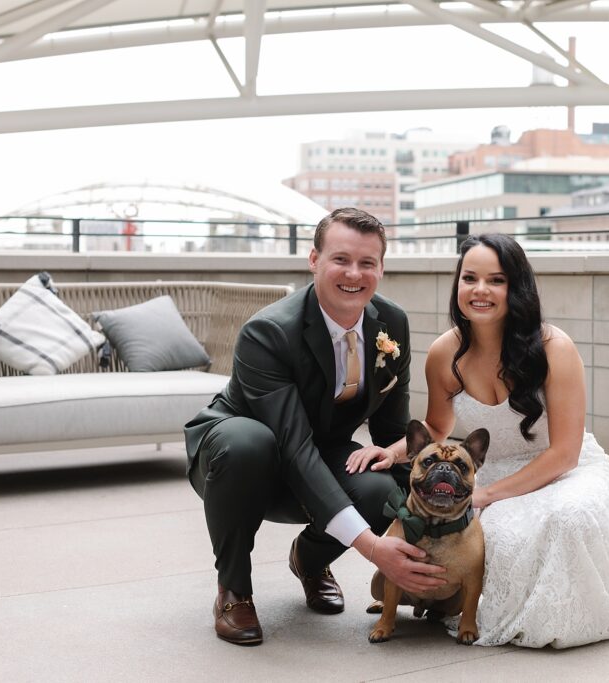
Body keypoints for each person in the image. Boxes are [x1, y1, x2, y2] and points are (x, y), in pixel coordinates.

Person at [346, 233, 609, 648]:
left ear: (516, 288)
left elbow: (565, 453)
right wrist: (392, 450)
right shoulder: (443, 353)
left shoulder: (553, 347)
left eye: (497, 280)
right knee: (503, 540)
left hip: (564, 471)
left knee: (568, 518)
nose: (480, 290)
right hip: (495, 474)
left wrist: (485, 496)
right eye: (469, 278)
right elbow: (436, 425)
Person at [184, 207, 444, 646]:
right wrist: (372, 548)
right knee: (249, 442)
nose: (354, 274)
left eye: (367, 263)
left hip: (318, 450)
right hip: (242, 459)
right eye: (340, 259)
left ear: (382, 268)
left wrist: (428, 522)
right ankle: (233, 591)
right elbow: (292, 445)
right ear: (314, 260)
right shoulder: (267, 332)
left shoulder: (391, 323)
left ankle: (309, 559)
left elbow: (390, 435)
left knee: (382, 488)